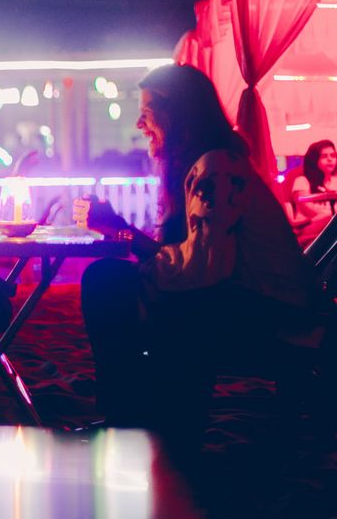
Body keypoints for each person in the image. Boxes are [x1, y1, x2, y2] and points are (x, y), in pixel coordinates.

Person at [74, 64, 317, 448]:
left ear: (180, 117)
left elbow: (203, 268)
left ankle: (132, 419)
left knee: (107, 281)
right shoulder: (209, 164)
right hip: (248, 300)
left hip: (277, 317)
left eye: (148, 111)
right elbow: (193, 261)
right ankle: (137, 418)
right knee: (115, 282)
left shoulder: (217, 168)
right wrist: (121, 231)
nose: (139, 123)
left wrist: (123, 233)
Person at [291, 139, 336, 246]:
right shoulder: (302, 181)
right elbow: (308, 210)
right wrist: (330, 215)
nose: (330, 159)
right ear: (314, 159)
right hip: (309, 233)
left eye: (333, 155)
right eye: (324, 156)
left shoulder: (335, 181)